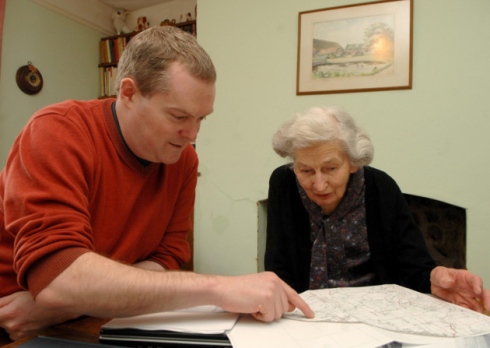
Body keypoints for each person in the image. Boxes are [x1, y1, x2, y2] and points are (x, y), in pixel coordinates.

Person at [0, 26, 313, 341]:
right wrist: (218, 287)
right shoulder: (57, 132)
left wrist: (73, 301)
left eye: (201, 118)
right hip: (13, 325)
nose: (192, 135)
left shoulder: (183, 161)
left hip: (82, 317)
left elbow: (167, 258)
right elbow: (58, 277)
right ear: (128, 93)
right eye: (178, 117)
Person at [264, 106, 490, 313]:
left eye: (331, 168)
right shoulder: (283, 184)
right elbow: (278, 267)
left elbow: (413, 267)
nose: (319, 184)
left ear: (353, 162)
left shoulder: (381, 188)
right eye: (306, 171)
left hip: (377, 315)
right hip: (307, 314)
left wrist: (435, 277)